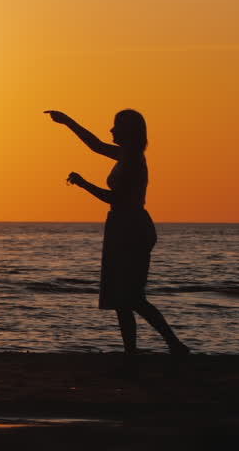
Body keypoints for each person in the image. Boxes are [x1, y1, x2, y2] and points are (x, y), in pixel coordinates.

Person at [45, 109, 190, 359]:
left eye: (116, 126)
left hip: (130, 228)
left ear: (128, 131)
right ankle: (133, 354)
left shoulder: (132, 160)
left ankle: (174, 346)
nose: (111, 131)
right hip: (122, 226)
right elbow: (95, 145)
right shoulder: (125, 155)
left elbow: (115, 198)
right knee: (122, 300)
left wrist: (83, 184)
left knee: (132, 297)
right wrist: (68, 122)